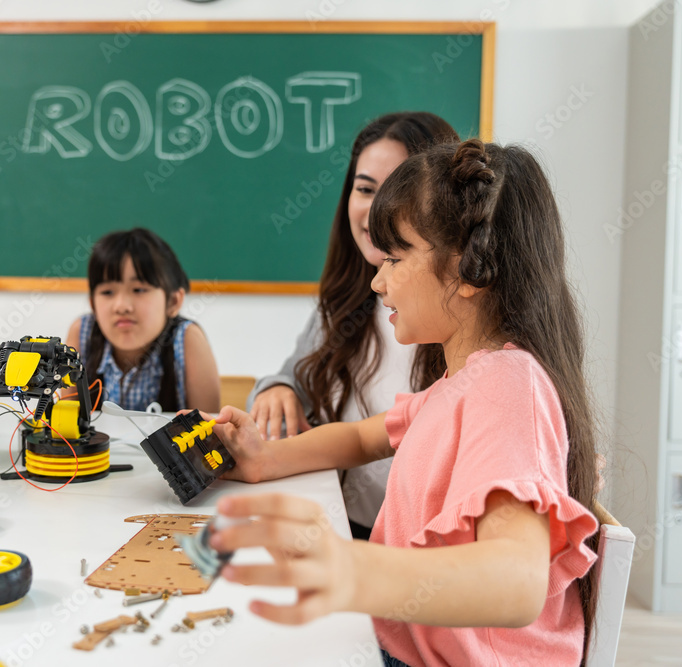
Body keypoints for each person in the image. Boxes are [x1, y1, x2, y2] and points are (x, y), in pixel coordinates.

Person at [209, 139, 601, 666]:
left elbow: (518, 581)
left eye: (395, 258)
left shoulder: (509, 386)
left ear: (468, 270)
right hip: (406, 643)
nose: (377, 279)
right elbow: (360, 437)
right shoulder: (457, 384)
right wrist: (264, 460)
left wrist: (353, 569)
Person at [248, 112, 459, 539]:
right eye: (364, 189)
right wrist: (278, 388)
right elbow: (303, 384)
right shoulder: (345, 303)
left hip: (422, 544)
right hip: (345, 525)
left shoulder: (462, 327)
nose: (375, 209)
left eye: (398, 190)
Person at [65, 227, 220, 413]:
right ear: (93, 305)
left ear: (173, 301)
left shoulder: (187, 339)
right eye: (107, 292)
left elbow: (208, 433)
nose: (121, 306)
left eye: (138, 290)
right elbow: (66, 417)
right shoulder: (82, 333)